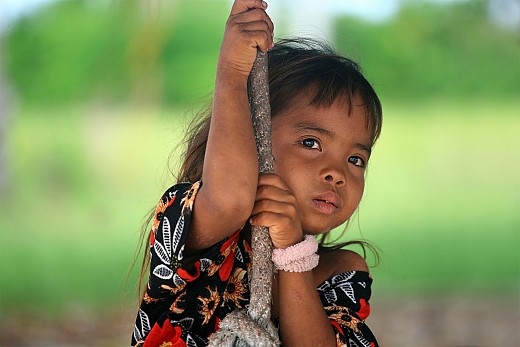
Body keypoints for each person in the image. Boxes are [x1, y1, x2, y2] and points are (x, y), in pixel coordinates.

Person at [131, 0, 382, 346]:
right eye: (310, 142)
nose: (336, 173)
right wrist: (234, 74)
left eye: (356, 159)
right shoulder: (197, 220)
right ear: (254, 138)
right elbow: (232, 199)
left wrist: (293, 252)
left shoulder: (340, 272)